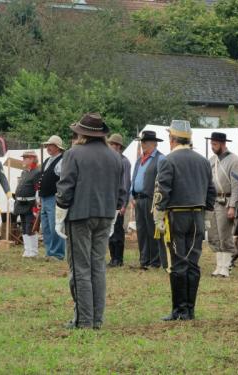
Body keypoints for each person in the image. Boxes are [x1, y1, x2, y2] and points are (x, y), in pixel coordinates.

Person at [55, 113, 123, 330]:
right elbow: (121, 191)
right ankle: (96, 319)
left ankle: (84, 320)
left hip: (80, 216)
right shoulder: (114, 156)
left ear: (81, 134)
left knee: (80, 268)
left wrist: (60, 213)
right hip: (106, 215)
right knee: (98, 267)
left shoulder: (73, 154)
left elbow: (66, 188)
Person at [153, 120, 216, 321]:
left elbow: (162, 191)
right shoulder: (203, 161)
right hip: (197, 216)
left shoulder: (168, 160)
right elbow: (211, 191)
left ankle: (179, 310)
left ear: (172, 139)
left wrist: (158, 215)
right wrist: (206, 214)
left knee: (177, 262)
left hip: (177, 216)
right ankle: (189, 309)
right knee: (193, 262)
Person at [206, 132, 238, 277]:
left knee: (225, 234)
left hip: (225, 201)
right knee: (213, 234)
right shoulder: (211, 160)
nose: (212, 147)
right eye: (211, 144)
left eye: (214, 144)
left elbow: (236, 185)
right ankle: (219, 265)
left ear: (222, 143)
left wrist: (232, 206)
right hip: (213, 201)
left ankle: (226, 266)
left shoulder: (234, 160)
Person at [131, 130, 165, 269]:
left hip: (152, 199)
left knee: (153, 231)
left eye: (144, 142)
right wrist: (131, 195)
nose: (142, 144)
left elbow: (163, 180)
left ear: (154, 143)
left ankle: (155, 261)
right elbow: (134, 178)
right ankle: (144, 260)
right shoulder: (140, 159)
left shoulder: (160, 159)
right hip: (139, 199)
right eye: (142, 142)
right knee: (142, 230)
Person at [39, 135, 65, 261]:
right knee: (46, 227)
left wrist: (60, 195)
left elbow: (63, 181)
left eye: (51, 145)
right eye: (48, 145)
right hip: (44, 198)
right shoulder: (47, 160)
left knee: (55, 226)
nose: (48, 147)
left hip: (54, 198)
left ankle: (58, 253)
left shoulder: (62, 161)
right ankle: (50, 252)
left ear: (57, 147)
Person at [107, 133, 132, 267]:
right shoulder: (110, 160)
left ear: (118, 146)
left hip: (119, 201)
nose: (110, 147)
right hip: (110, 202)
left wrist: (123, 204)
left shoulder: (124, 162)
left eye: (112, 144)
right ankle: (113, 258)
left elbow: (126, 184)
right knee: (110, 232)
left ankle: (119, 259)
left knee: (118, 231)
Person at [13, 150, 41, 258]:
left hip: (30, 204)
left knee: (31, 227)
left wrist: (36, 206)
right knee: (24, 226)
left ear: (32, 159)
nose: (23, 160)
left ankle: (33, 251)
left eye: (25, 158)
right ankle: (27, 250)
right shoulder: (24, 172)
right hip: (21, 203)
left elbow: (38, 190)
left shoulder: (37, 172)